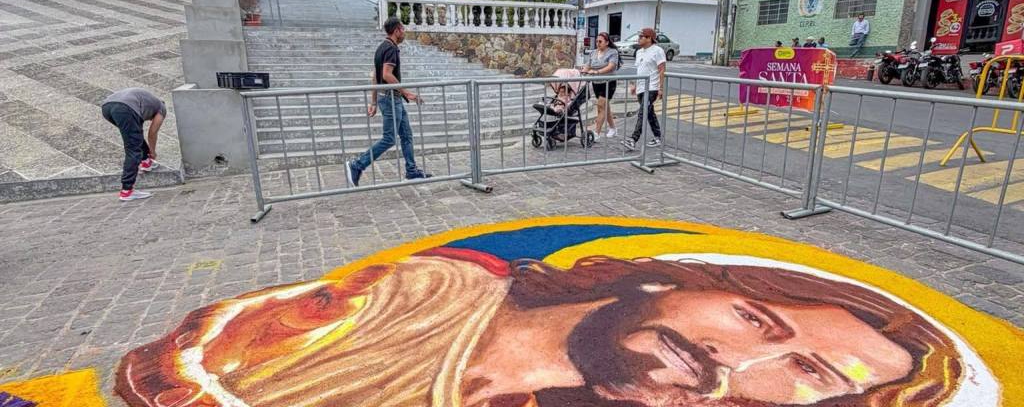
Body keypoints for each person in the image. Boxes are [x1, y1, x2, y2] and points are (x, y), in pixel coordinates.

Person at [115, 249, 963, 407]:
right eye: (754, 317)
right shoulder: (413, 301)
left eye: (810, 373)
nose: (736, 355)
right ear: (671, 280)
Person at [345, 16, 432, 186]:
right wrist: (407, 93)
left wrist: (374, 102)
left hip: (389, 98)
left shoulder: (381, 48)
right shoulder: (391, 49)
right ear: (397, 30)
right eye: (403, 29)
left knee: (406, 135)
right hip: (392, 99)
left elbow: (375, 77)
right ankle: (357, 165)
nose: (404, 32)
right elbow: (386, 75)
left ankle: (412, 171)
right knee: (389, 139)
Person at [101, 88, 165, 201]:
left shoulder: (147, 102)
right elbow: (152, 133)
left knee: (134, 136)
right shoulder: (161, 108)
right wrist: (153, 152)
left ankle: (145, 161)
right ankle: (127, 190)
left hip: (107, 107)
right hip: (125, 107)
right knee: (133, 148)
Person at [623, 27, 665, 151]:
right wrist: (635, 86)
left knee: (642, 113)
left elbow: (662, 69)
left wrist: (660, 88)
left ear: (649, 38)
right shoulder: (639, 52)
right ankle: (658, 137)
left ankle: (633, 139)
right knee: (649, 113)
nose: (639, 39)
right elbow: (639, 70)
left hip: (651, 86)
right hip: (641, 87)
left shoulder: (657, 50)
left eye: (641, 37)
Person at [583, 31, 619, 140]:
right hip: (596, 83)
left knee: (600, 106)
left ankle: (597, 133)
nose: (598, 43)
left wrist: (597, 72)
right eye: (597, 41)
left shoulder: (612, 52)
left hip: (608, 82)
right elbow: (588, 65)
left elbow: (611, 66)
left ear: (607, 42)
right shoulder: (593, 53)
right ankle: (613, 128)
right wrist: (584, 70)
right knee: (605, 107)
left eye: (600, 41)